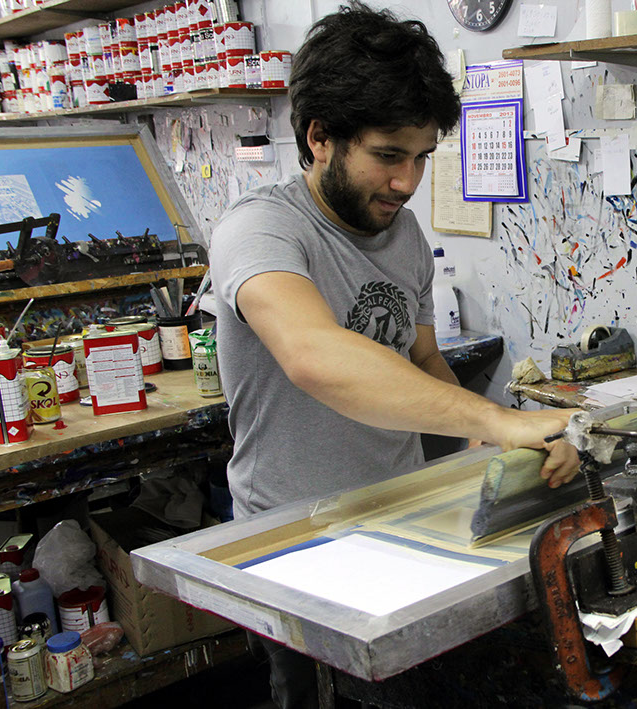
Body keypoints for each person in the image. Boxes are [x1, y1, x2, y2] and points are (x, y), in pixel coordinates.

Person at [208, 3, 579, 706]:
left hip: (398, 513)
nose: (408, 182)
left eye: (421, 157)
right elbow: (314, 353)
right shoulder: (260, 230)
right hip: (294, 537)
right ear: (320, 137)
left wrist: (493, 435)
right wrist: (497, 420)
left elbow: (423, 359)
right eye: (387, 156)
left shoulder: (403, 233)